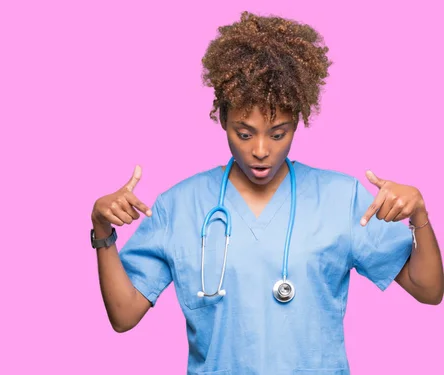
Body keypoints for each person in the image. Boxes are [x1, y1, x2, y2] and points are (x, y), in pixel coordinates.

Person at [89, 11, 444, 375]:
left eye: (279, 134)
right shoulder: (179, 206)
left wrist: (419, 216)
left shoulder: (341, 199)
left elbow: (429, 290)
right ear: (222, 118)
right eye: (244, 133)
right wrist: (102, 230)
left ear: (298, 121)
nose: (261, 150)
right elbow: (123, 315)